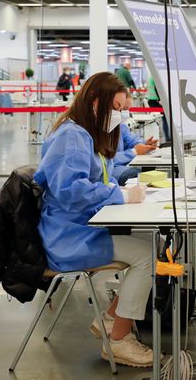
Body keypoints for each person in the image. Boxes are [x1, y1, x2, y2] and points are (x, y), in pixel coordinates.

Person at [35, 72, 154, 367]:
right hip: (68, 238)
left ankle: (111, 319)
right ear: (96, 101)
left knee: (151, 240)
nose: (120, 115)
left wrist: (124, 190)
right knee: (148, 256)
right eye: (116, 107)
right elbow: (71, 190)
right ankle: (119, 341)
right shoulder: (72, 136)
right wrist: (122, 196)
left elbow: (100, 176)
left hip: (80, 229)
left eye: (123, 109)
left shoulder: (86, 134)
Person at [112, 92, 159, 186]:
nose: (126, 113)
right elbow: (105, 160)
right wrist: (134, 152)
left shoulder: (120, 127)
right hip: (112, 172)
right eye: (124, 109)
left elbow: (131, 140)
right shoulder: (95, 131)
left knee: (151, 172)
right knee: (143, 175)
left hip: (121, 168)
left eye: (127, 109)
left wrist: (145, 144)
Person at [146, 76, 171, 142]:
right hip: (157, 101)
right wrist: (160, 99)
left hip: (151, 100)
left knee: (155, 121)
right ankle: (167, 138)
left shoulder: (150, 77)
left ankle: (156, 139)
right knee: (164, 119)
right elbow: (157, 88)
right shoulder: (156, 76)